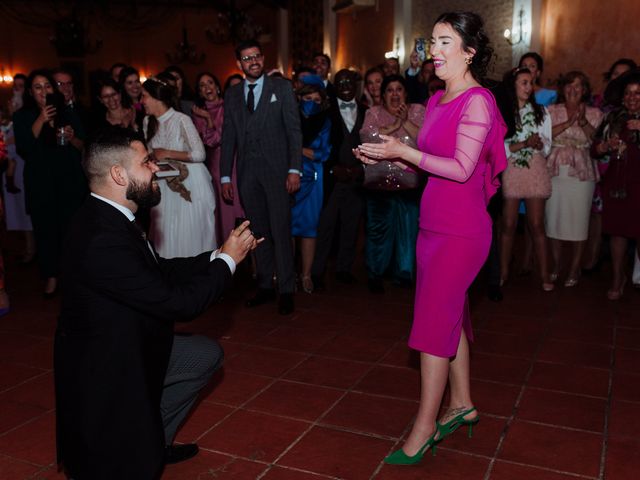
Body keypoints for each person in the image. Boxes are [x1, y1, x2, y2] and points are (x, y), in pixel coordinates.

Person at [54, 127, 259, 479]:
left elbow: (159, 270)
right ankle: (133, 448)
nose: (157, 168)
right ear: (119, 174)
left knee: (206, 355)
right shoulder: (101, 236)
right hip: (109, 365)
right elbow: (179, 304)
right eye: (147, 161)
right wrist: (229, 263)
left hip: (133, 342)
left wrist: (218, 255)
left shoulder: (116, 216)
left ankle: (153, 438)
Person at [356, 11, 506, 464]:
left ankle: (423, 430)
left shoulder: (478, 101)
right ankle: (462, 405)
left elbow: (462, 169)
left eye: (444, 42)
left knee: (430, 328)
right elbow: (434, 158)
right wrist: (392, 158)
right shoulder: (439, 99)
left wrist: (406, 150)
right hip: (433, 224)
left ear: (469, 51)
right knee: (449, 315)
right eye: (432, 43)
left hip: (461, 231)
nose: (433, 52)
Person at [220, 39, 302, 315]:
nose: (252, 61)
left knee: (280, 229)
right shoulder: (231, 95)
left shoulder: (282, 87)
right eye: (246, 58)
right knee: (259, 231)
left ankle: (287, 289)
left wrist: (294, 169)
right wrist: (224, 177)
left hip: (278, 172)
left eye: (256, 56)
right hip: (247, 174)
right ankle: (266, 285)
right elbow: (228, 137)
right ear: (239, 64)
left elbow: (294, 131)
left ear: (263, 59)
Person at [13, 69, 88, 297]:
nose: (43, 91)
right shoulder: (23, 116)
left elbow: (82, 145)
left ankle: (73, 276)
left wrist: (71, 135)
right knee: (45, 231)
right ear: (30, 92)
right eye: (38, 87)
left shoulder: (67, 111)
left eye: (47, 86)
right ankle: (51, 277)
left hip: (69, 180)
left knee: (71, 231)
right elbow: (24, 147)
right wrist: (41, 119)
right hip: (41, 182)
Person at [360, 74, 424, 293]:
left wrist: (405, 122)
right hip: (378, 183)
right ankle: (376, 273)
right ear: (383, 94)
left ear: (406, 93)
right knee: (378, 230)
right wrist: (395, 124)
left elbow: (425, 140)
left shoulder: (417, 111)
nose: (395, 94)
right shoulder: (373, 113)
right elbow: (368, 139)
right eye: (390, 90)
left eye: (399, 89)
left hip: (410, 182)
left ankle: (404, 273)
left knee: (409, 229)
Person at [141, 77, 216, 258]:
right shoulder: (147, 122)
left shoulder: (182, 119)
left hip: (191, 183)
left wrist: (167, 152)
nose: (141, 101)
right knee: (167, 232)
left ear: (157, 97)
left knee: (190, 232)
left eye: (144, 96)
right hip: (164, 185)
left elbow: (199, 154)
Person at [546, 71, 603, 287]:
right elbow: (545, 136)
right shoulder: (551, 111)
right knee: (553, 219)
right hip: (555, 170)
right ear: (562, 89)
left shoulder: (595, 113)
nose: (573, 90)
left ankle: (574, 267)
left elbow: (595, 140)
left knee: (579, 221)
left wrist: (582, 121)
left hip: (581, 173)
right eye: (569, 86)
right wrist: (569, 123)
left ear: (585, 90)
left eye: (578, 86)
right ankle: (556, 265)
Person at [311, 69, 366, 289]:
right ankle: (317, 271)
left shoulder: (367, 112)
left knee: (351, 226)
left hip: (357, 179)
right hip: (331, 179)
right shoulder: (325, 111)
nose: (344, 85)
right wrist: (332, 168)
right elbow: (315, 143)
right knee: (326, 226)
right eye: (340, 81)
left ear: (355, 85)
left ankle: (344, 269)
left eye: (348, 81)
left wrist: (359, 169)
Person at [499, 67, 553, 292]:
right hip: (512, 168)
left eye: (530, 83)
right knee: (509, 224)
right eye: (523, 82)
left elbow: (548, 145)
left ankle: (545, 275)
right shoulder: (504, 113)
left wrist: (540, 145)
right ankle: (502, 274)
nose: (528, 87)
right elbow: (499, 149)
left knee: (536, 224)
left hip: (535, 168)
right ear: (513, 85)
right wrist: (523, 144)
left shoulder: (541, 112)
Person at [591, 70, 640, 300]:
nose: (633, 97)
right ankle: (617, 278)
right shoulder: (612, 118)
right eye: (629, 93)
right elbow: (595, 148)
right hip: (617, 184)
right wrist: (604, 147)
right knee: (617, 234)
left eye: (638, 93)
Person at [192, 72, 244, 245]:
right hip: (219, 166)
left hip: (241, 161)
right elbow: (212, 141)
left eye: (210, 82)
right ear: (199, 92)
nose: (207, 87)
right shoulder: (199, 115)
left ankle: (255, 262)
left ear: (218, 87)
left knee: (246, 209)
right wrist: (208, 118)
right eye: (202, 85)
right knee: (226, 214)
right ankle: (230, 258)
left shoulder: (230, 105)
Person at [291, 75, 332, 293]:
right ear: (299, 98)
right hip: (290, 174)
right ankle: (287, 273)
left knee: (309, 227)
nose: (312, 103)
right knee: (286, 226)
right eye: (307, 98)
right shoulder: (290, 118)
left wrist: (297, 149)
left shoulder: (325, 122)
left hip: (315, 178)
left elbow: (324, 153)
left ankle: (305, 275)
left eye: (317, 100)